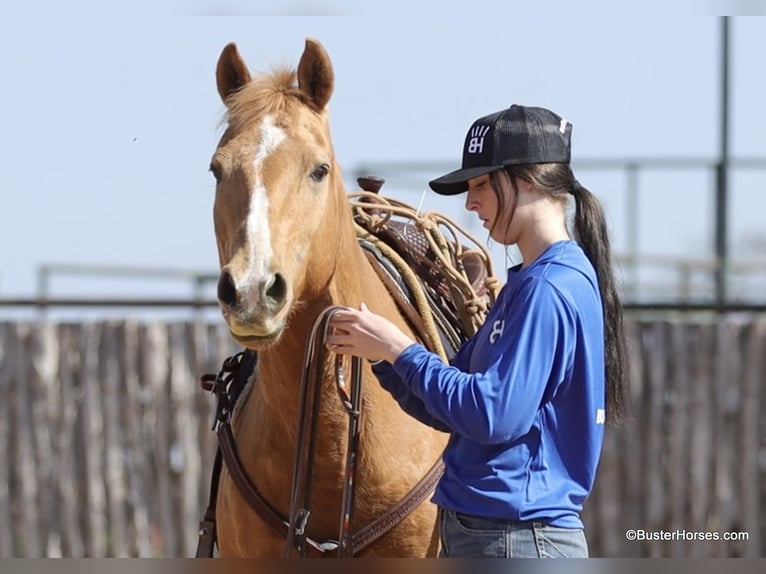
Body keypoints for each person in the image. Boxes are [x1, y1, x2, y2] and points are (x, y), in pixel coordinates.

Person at [327, 104, 629, 558]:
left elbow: (493, 415)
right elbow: (452, 409)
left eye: (481, 184)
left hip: (516, 539)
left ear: (527, 178)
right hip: (503, 536)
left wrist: (400, 348)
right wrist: (380, 354)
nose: (470, 203)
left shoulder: (547, 287)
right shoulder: (531, 281)